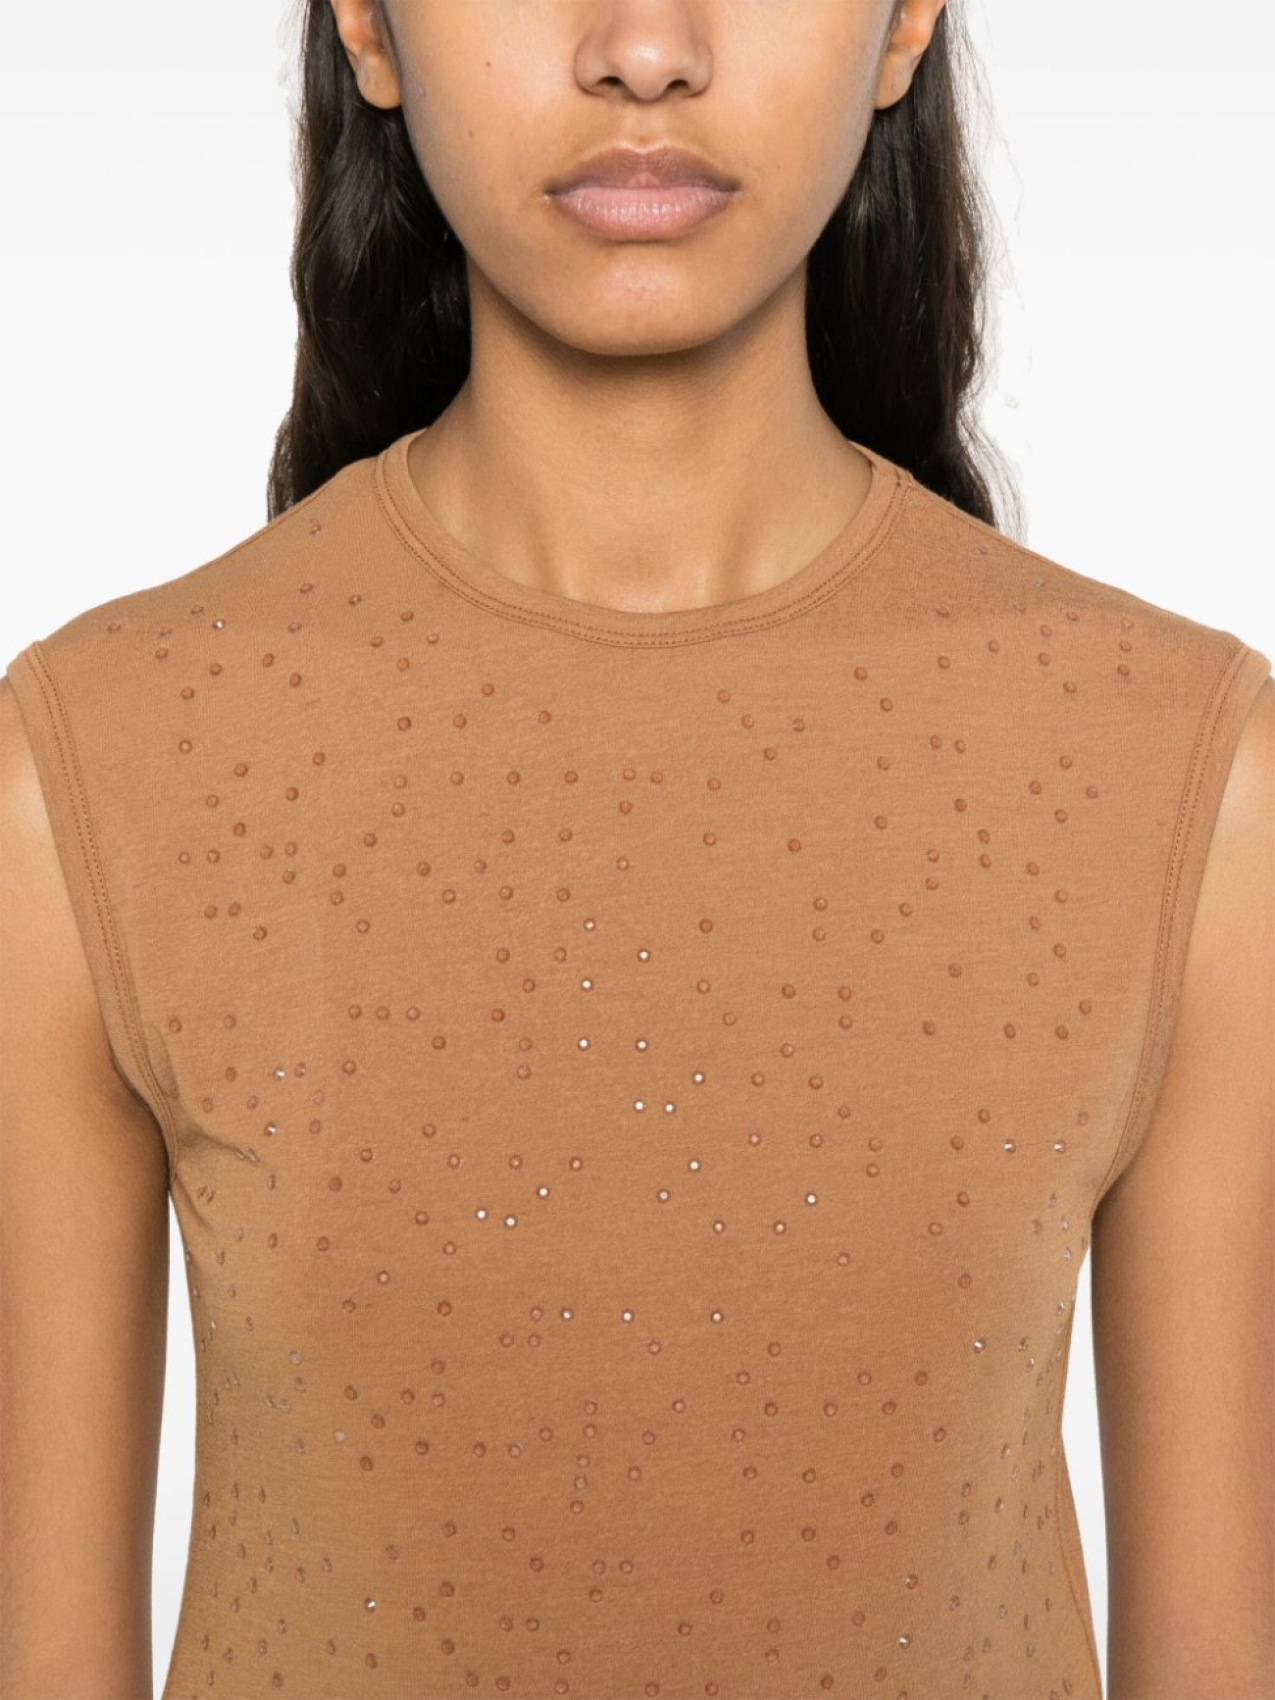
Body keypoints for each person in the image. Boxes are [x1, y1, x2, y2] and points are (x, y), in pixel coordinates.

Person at [1, 2, 1270, 1696]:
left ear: (906, 22)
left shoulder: (1180, 767)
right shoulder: (96, 764)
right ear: (367, 23)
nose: (647, 50)